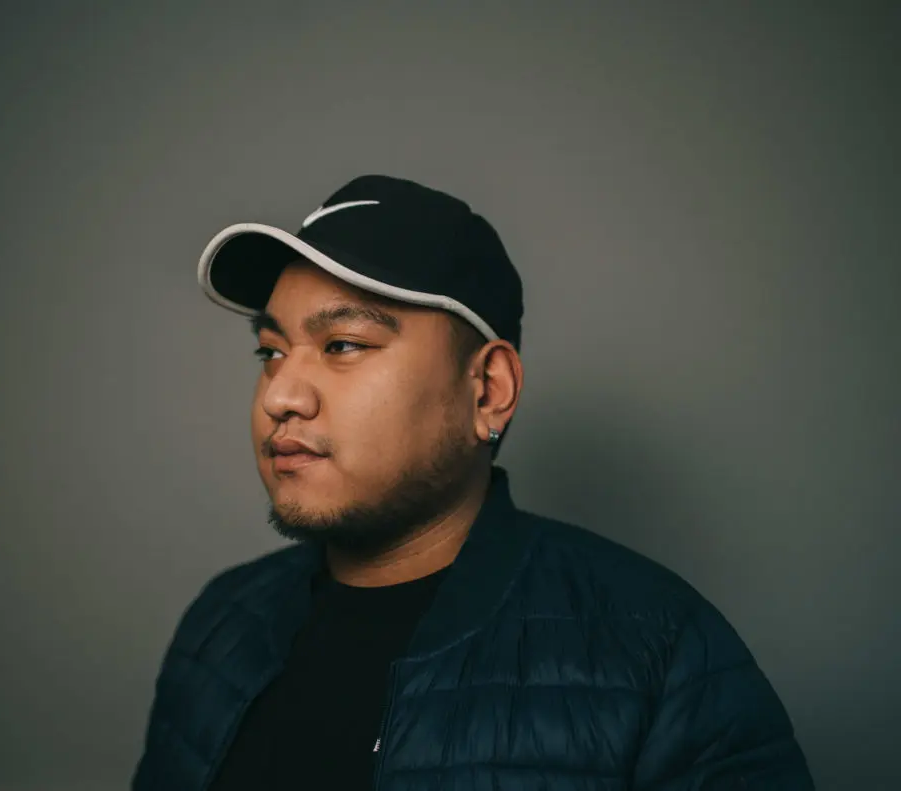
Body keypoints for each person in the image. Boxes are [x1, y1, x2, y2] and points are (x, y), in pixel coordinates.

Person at [131, 175, 814, 790]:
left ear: (488, 390)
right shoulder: (222, 626)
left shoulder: (661, 650)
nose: (281, 394)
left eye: (342, 345)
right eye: (271, 352)